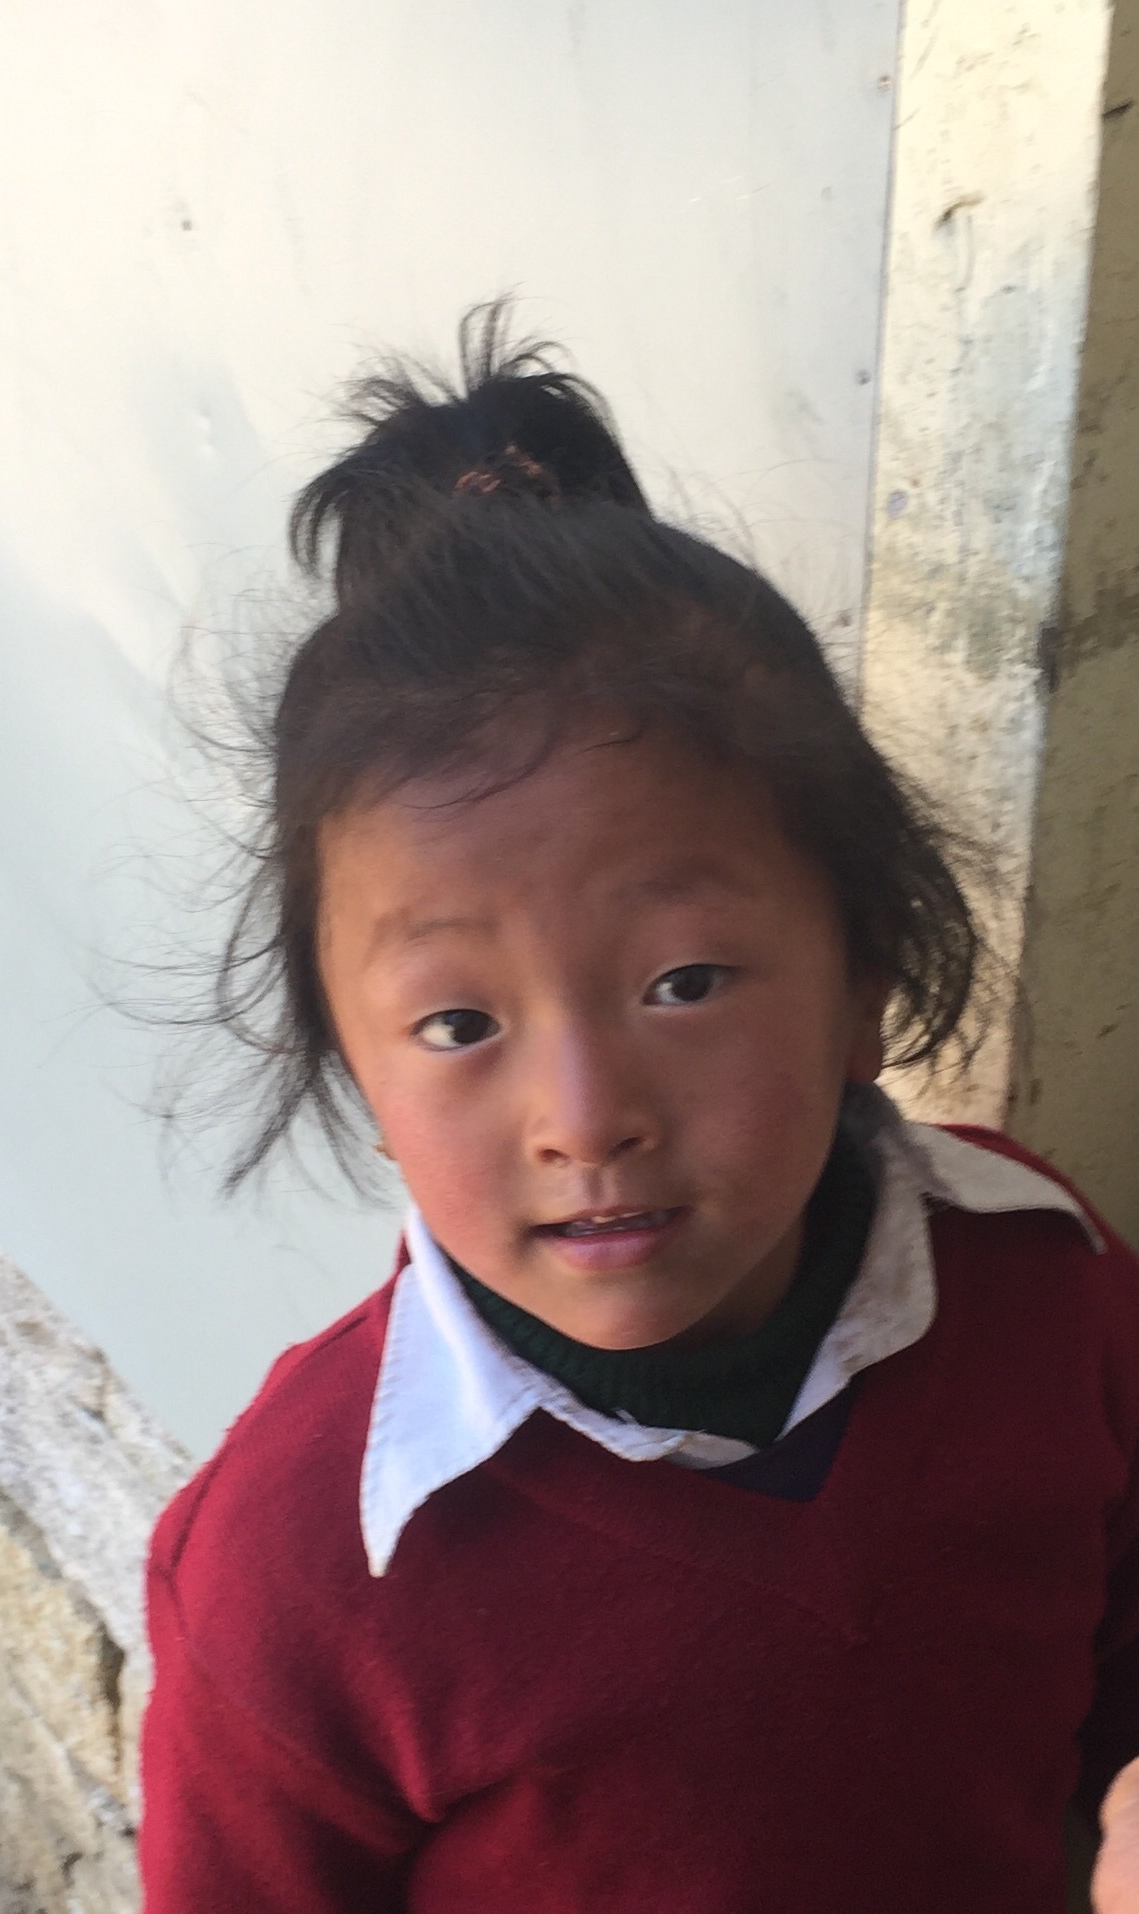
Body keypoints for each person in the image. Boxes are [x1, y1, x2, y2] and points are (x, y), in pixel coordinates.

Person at [136, 308, 1139, 1912]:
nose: (583, 1116)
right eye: (457, 1023)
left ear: (863, 981)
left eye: (682, 982)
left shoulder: (1041, 1274)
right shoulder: (297, 1571)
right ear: (359, 1071)